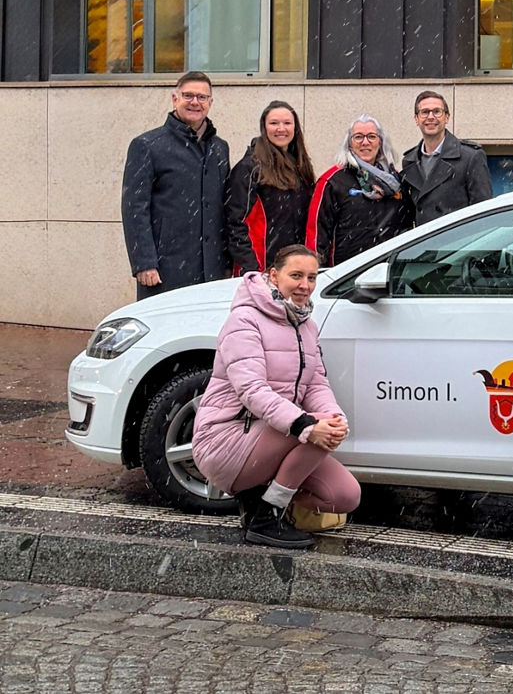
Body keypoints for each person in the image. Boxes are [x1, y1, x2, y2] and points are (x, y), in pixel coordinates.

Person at [193, 245, 360, 549]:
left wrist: (335, 419)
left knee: (344, 496)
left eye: (311, 278)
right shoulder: (245, 320)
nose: (304, 285)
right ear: (273, 275)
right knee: (317, 427)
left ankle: (265, 497)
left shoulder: (306, 325)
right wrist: (307, 426)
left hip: (276, 434)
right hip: (225, 438)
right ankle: (265, 516)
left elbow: (316, 384)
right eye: (295, 275)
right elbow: (251, 390)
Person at [121, 71, 230, 300]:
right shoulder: (147, 146)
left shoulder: (220, 148)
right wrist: (144, 263)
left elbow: (223, 207)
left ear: (210, 103)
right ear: (175, 99)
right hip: (164, 269)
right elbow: (134, 209)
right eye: (188, 95)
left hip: (212, 270)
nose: (195, 102)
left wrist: (227, 262)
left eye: (202, 97)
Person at [306, 114, 411, 265]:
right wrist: (314, 270)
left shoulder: (395, 182)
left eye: (372, 137)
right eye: (358, 137)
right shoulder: (332, 181)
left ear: (380, 142)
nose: (365, 142)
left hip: (387, 269)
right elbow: (316, 234)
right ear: (349, 143)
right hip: (346, 273)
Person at [226, 101, 317, 274]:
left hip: (293, 267)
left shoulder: (301, 166)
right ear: (264, 127)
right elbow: (236, 223)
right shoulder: (250, 168)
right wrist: (251, 268)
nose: (281, 128)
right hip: (261, 268)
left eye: (287, 123)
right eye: (274, 123)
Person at [401, 90, 492, 225]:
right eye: (425, 112)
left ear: (447, 117)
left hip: (458, 242)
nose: (431, 117)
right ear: (416, 119)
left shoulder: (470, 157)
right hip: (423, 242)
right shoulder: (409, 161)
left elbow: (483, 210)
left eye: (437, 111)